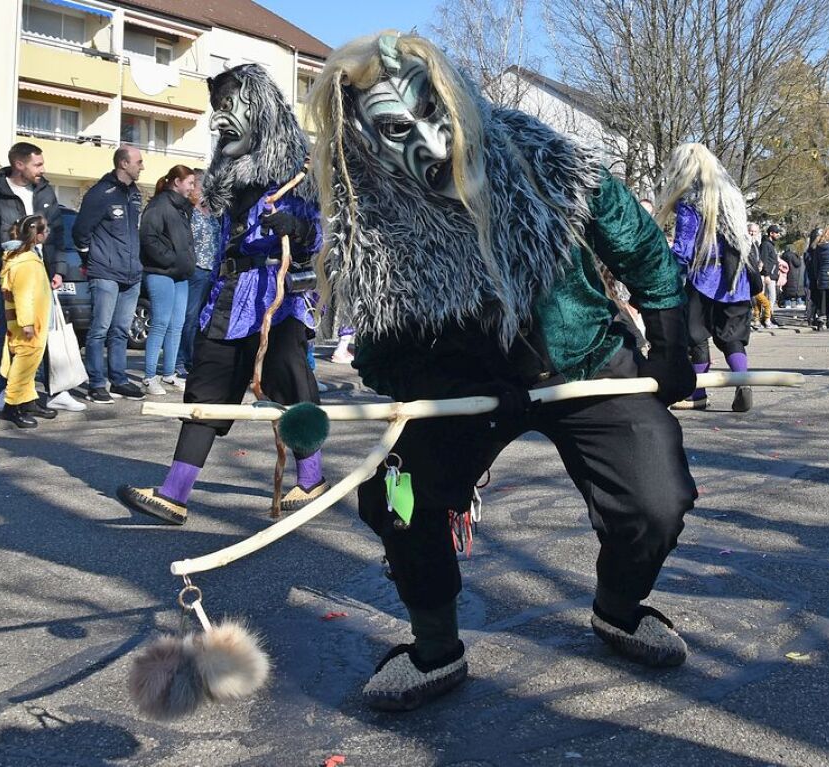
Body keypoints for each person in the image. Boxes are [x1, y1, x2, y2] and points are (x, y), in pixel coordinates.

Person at [309, 31, 697, 711]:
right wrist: (440, 385)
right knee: (395, 497)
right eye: (397, 128)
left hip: (585, 364)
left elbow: (638, 243)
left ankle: (619, 603)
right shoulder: (363, 216)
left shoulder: (539, 153)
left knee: (657, 501)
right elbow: (375, 349)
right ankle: (434, 643)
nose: (430, 143)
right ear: (364, 134)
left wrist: (668, 344)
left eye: (434, 115)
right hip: (468, 389)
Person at [117, 64, 327, 524]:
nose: (217, 120)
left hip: (277, 296)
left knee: (293, 386)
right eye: (216, 110)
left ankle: (311, 480)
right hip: (228, 297)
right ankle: (174, 494)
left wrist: (301, 228)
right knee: (206, 388)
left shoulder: (301, 168)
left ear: (260, 107)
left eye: (228, 108)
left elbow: (325, 233)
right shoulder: (228, 173)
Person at [0, 142, 79, 412]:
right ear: (19, 164)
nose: (42, 169)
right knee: (12, 334)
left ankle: (51, 392)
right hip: (13, 275)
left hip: (42, 272)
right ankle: (7, 393)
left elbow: (56, 232)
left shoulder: (44, 190)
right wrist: (4, 266)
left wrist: (58, 268)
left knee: (43, 333)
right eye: (37, 164)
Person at [659, 143, 755, 412]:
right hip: (736, 277)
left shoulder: (689, 198)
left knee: (696, 336)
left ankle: (697, 392)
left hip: (703, 275)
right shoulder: (731, 194)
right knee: (732, 335)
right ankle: (742, 382)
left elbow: (684, 246)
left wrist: (670, 271)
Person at [73, 146, 146, 403]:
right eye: (138, 162)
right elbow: (81, 231)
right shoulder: (100, 193)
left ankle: (120, 380)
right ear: (123, 163)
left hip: (131, 274)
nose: (142, 166)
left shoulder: (135, 194)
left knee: (120, 330)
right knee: (99, 329)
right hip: (105, 272)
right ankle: (96, 383)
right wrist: (90, 258)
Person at [139, 165, 196, 395]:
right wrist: (170, 260)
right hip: (161, 273)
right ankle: (149, 376)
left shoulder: (182, 209)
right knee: (160, 323)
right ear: (176, 182)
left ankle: (169, 373)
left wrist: (184, 263)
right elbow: (149, 238)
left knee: (176, 325)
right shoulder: (159, 206)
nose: (193, 187)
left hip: (180, 275)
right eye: (190, 182)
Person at [0, 215, 57, 428]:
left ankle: (28, 401)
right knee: (23, 366)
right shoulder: (25, 263)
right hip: (28, 325)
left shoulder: (29, 257)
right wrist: (27, 323)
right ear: (37, 235)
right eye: (46, 230)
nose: (48, 233)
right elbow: (22, 296)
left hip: (33, 323)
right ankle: (12, 406)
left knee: (31, 365)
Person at [177, 169, 221, 377]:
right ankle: (183, 359)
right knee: (190, 316)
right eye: (204, 187)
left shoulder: (211, 213)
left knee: (203, 318)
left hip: (211, 270)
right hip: (196, 269)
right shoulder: (189, 212)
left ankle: (195, 358)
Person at [808, 226, 829, 330]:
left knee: (822, 299)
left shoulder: (819, 248)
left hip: (822, 274)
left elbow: (815, 264)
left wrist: (817, 275)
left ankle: (822, 319)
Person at [759, 224, 781, 310]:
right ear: (771, 233)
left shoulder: (771, 245)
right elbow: (764, 260)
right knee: (771, 297)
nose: (778, 234)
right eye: (776, 232)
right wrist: (766, 275)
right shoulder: (765, 245)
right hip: (768, 276)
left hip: (772, 275)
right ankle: (767, 318)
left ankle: (768, 317)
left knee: (770, 297)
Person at [781, 244, 805, 309]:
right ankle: (799, 303)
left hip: (785, 276)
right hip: (794, 277)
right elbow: (798, 263)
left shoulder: (783, 256)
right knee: (797, 291)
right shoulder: (793, 256)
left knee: (787, 291)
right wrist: (798, 256)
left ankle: (787, 303)